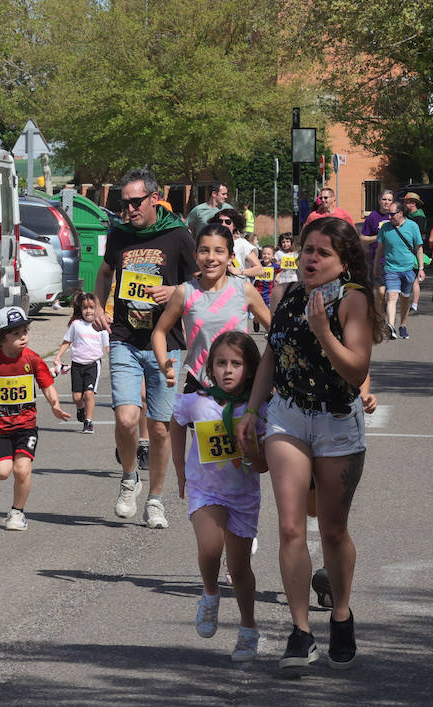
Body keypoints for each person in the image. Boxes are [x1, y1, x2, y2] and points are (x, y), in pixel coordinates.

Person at [237, 216, 382, 671]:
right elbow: (273, 357)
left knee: (334, 529)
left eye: (322, 253)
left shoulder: (353, 300)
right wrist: (252, 409)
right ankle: (300, 632)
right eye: (307, 250)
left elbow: (356, 372)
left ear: (343, 262)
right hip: (288, 416)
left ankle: (340, 613)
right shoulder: (287, 294)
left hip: (338, 422)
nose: (311, 259)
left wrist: (323, 331)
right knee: (290, 527)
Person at [89, 168, 197, 529]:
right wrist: (99, 307)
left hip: (166, 343)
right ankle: (128, 478)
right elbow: (104, 273)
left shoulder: (177, 235)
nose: (129, 209)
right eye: (124, 203)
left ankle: (155, 499)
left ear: (154, 199)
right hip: (124, 337)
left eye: (136, 202)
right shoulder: (119, 233)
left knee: (161, 427)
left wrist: (175, 293)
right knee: (125, 418)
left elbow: (199, 281)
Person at [172, 331, 267, 662]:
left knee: (240, 569)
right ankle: (210, 594)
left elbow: (264, 465)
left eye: (237, 364)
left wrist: (250, 449)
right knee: (210, 547)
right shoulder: (198, 402)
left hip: (243, 496)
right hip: (205, 489)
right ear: (210, 367)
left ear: (251, 369)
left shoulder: (259, 410)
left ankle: (248, 628)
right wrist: (180, 470)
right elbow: (176, 421)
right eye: (221, 363)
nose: (228, 370)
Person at [0, 306, 70, 529]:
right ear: (1, 337)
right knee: (2, 473)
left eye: (25, 331)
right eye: (16, 333)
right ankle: (14, 501)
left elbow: (47, 386)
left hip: (26, 427)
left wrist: (55, 405)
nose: (23, 337)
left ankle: (17, 513)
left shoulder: (32, 359)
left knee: (22, 470)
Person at [152, 223, 271, 393]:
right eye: (204, 250)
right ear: (195, 255)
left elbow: (276, 334)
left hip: (240, 389)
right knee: (176, 420)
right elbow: (159, 332)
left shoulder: (244, 291)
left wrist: (265, 368)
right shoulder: (185, 292)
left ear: (231, 257)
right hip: (198, 386)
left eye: (219, 251)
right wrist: (164, 364)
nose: (211, 257)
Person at [54, 292, 109, 434]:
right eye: (85, 308)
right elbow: (67, 341)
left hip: (93, 364)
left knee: (88, 394)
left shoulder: (100, 326)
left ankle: (88, 422)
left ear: (97, 309)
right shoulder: (76, 325)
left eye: (92, 307)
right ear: (80, 309)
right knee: (77, 397)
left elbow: (108, 347)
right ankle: (80, 409)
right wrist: (58, 356)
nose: (88, 311)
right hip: (77, 365)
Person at [373, 203, 424, 340]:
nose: (389, 217)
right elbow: (379, 249)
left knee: (405, 298)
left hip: (408, 269)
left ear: (400, 213)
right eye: (388, 214)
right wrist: (376, 266)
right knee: (391, 297)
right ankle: (391, 326)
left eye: (392, 214)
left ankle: (403, 325)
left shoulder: (413, 226)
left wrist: (420, 268)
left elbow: (419, 248)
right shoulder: (385, 228)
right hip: (391, 269)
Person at [400, 192, 430, 313]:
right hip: (406, 251)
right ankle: (408, 303)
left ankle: (414, 305)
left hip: (413, 252)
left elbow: (417, 237)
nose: (404, 204)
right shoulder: (408, 216)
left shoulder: (419, 218)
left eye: (406, 202)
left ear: (413, 203)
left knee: (414, 280)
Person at [215, 208, 263, 279]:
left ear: (234, 225)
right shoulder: (212, 242)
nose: (223, 224)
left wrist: (240, 271)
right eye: (220, 221)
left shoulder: (242, 244)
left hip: (237, 286)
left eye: (228, 222)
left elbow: (260, 270)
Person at [270, 233, 298, 313]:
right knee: (281, 296)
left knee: (292, 295)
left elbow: (299, 264)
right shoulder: (279, 253)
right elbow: (273, 264)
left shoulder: (295, 254)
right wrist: (276, 263)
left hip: (293, 277)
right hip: (281, 278)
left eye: (287, 241)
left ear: (291, 242)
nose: (285, 244)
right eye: (283, 242)